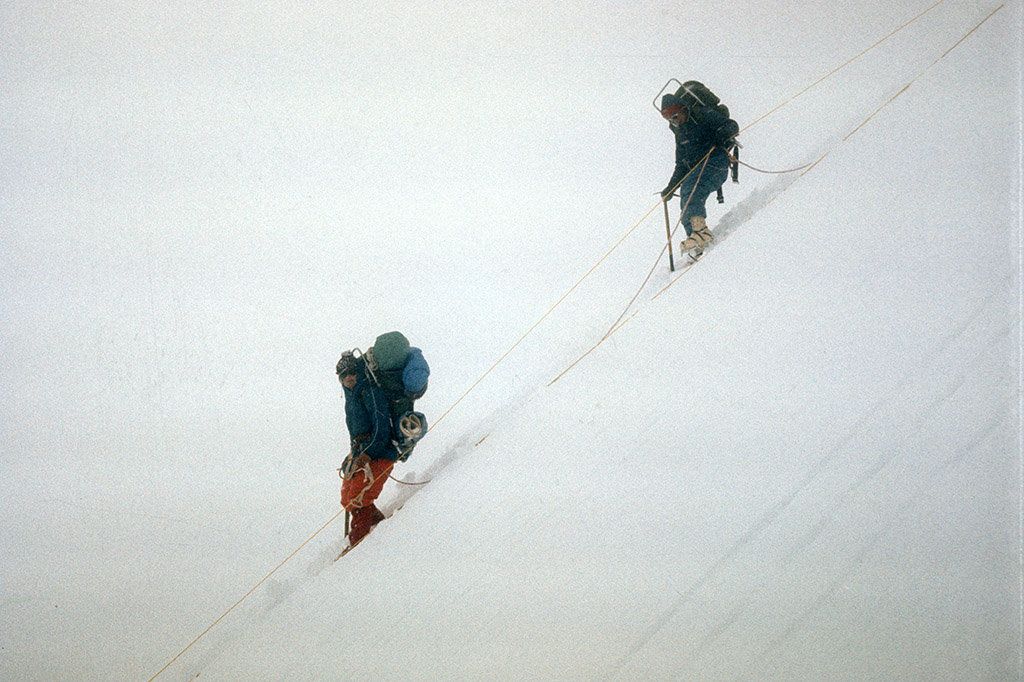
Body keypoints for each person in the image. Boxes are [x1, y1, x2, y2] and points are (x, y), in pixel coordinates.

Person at [659, 83, 739, 253]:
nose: (674, 122)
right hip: (700, 169)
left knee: (691, 187)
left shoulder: (702, 115)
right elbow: (681, 164)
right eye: (669, 120)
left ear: (683, 109)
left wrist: (720, 134)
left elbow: (732, 126)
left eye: (674, 116)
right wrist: (671, 187)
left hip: (717, 162)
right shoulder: (680, 132)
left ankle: (700, 232)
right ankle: (695, 240)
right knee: (686, 197)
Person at [336, 349, 397, 545]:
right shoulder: (351, 398)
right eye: (343, 374)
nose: (348, 377)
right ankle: (378, 522)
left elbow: (381, 428)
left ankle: (358, 541)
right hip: (362, 453)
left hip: (382, 453)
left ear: (358, 371)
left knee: (358, 497)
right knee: (347, 496)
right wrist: (355, 454)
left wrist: (368, 452)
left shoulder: (370, 391)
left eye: (351, 372)